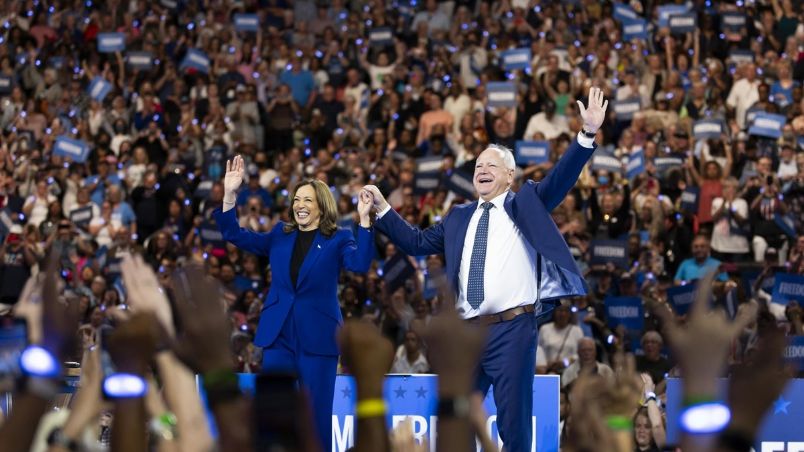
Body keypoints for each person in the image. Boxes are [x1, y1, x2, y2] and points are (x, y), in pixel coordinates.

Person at [362, 87, 609, 451]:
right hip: (466, 335)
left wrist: (586, 134)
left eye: (491, 165)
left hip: (512, 329)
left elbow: (561, 177)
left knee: (514, 427)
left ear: (509, 175)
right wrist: (383, 209)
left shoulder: (526, 202)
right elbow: (415, 242)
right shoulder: (458, 216)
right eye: (478, 165)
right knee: (455, 423)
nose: (482, 169)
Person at [214, 155, 374, 451]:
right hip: (279, 336)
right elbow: (234, 234)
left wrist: (364, 220)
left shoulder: (339, 238)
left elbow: (360, 264)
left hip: (319, 338)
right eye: (297, 199)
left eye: (307, 200)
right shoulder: (280, 234)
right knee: (275, 415)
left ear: (322, 206)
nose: (300, 205)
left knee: (316, 419)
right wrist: (229, 195)